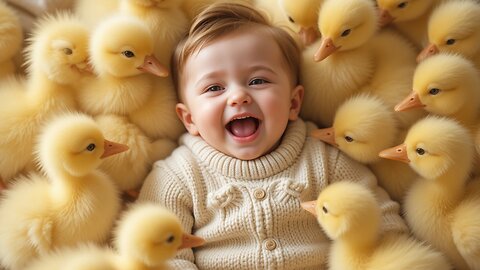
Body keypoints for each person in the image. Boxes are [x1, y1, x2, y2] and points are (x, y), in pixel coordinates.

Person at [138, 2, 407, 269]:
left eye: (258, 81)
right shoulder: (177, 177)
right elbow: (159, 256)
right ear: (189, 119)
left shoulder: (324, 159)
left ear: (293, 103)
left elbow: (380, 222)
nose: (238, 96)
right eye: (214, 87)